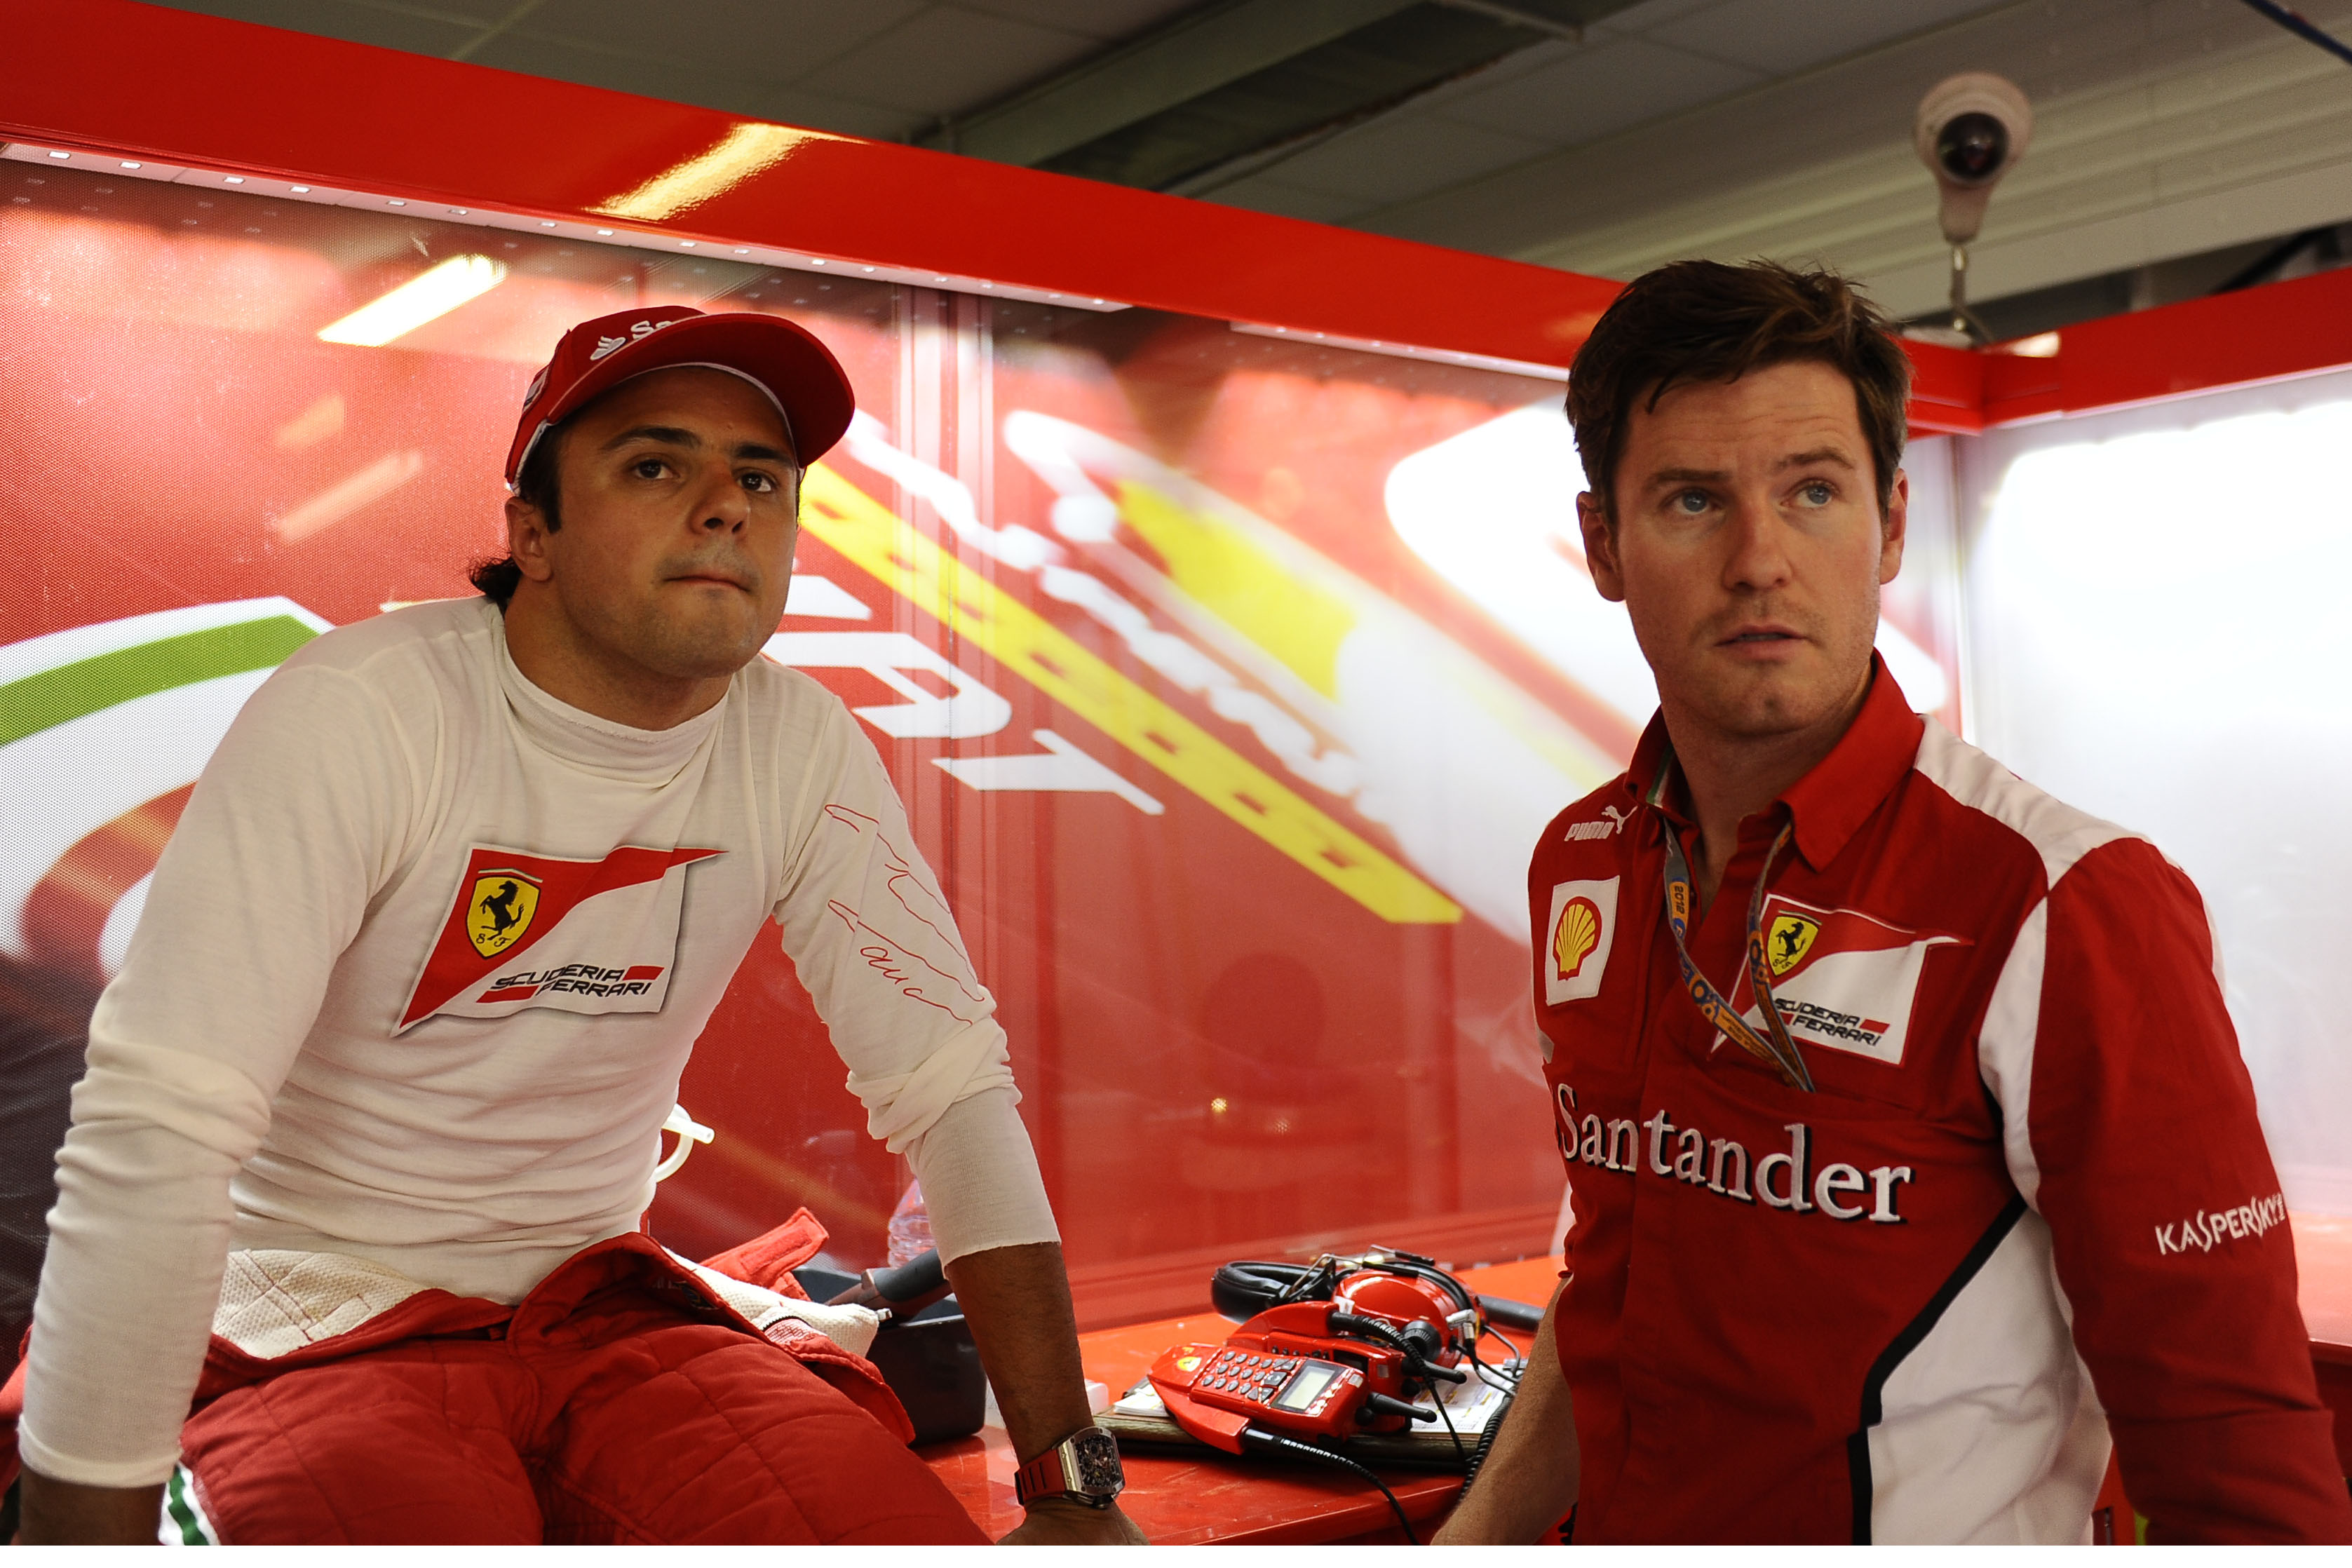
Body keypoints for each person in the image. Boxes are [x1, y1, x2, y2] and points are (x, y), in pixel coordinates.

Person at [6, 305, 1144, 1546]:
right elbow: (162, 1124)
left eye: (761, 477)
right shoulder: (367, 709)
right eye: (655, 466)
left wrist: (1071, 1486)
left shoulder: (797, 740)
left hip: (600, 1307)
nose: (726, 506)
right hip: (313, 1320)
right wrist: (79, 1538)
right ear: (531, 534)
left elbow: (952, 1090)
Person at [1437, 260, 2352, 1545]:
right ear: (1602, 546)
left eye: (1812, 491)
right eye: (1693, 499)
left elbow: (2232, 1446)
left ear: (1889, 527)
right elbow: (1611, 1274)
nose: (1759, 562)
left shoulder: (2061, 899)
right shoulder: (1584, 859)